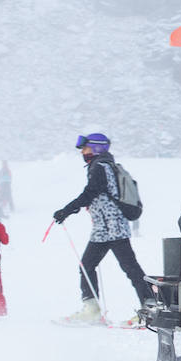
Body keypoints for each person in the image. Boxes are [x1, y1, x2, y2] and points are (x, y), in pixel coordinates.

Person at [52, 132, 153, 325]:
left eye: (86, 147)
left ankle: (149, 309)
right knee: (89, 264)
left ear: (97, 148)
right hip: (104, 229)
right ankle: (92, 309)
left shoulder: (100, 167)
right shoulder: (102, 165)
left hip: (112, 227)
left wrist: (66, 210)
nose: (83, 151)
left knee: (130, 268)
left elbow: (90, 192)